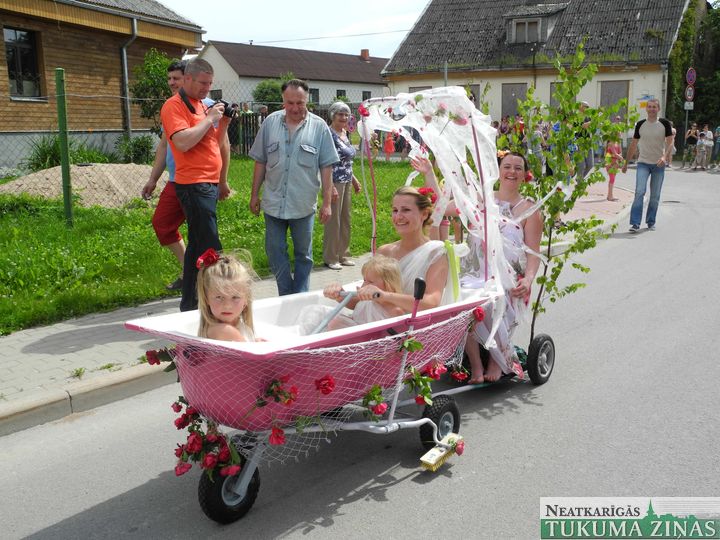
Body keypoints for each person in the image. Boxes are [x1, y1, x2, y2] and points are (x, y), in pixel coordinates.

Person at [248, 79, 338, 295]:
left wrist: (327, 203)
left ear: (307, 101)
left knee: (303, 255)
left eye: (300, 103)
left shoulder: (319, 127)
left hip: (303, 204)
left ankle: (300, 296)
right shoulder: (270, 123)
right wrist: (254, 195)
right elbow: (260, 161)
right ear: (283, 101)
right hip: (273, 202)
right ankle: (286, 294)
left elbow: (327, 167)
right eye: (290, 103)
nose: (295, 108)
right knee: (274, 250)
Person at [461, 152, 542, 383]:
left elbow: (533, 252)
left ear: (525, 175)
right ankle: (476, 364)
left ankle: (496, 361)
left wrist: (528, 279)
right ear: (498, 171)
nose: (512, 172)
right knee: (461, 304)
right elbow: (446, 206)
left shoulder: (530, 209)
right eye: (507, 166)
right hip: (475, 272)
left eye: (518, 168)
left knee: (499, 298)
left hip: (508, 276)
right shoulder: (482, 199)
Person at [160, 58, 231, 311]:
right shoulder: (174, 106)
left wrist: (223, 122)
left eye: (210, 84)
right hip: (193, 183)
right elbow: (182, 142)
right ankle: (221, 297)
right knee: (211, 244)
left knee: (196, 245)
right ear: (187, 79)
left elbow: (212, 143)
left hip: (208, 181)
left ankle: (190, 304)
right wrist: (209, 119)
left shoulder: (201, 105)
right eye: (202, 83)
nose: (206, 88)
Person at [325, 186, 451, 313]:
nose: (398, 216)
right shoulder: (384, 252)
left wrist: (385, 297)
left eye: (406, 210)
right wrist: (340, 295)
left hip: (408, 323)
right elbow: (362, 301)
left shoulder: (435, 253)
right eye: (395, 210)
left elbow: (431, 302)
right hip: (370, 319)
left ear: (424, 214)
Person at [140, 60, 188, 291]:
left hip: (199, 182)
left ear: (188, 78)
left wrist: (221, 180)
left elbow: (221, 146)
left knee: (203, 234)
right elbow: (163, 145)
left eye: (176, 78)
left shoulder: (206, 106)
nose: (171, 83)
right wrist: (153, 179)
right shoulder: (170, 107)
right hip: (175, 180)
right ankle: (190, 271)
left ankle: (209, 282)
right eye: (169, 79)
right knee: (162, 224)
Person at [300, 255, 405, 334]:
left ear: (389, 285)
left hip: (365, 343)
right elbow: (355, 308)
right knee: (316, 312)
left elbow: (397, 337)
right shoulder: (367, 299)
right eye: (364, 280)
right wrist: (339, 294)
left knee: (334, 322)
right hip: (354, 331)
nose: (364, 285)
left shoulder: (394, 310)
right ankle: (305, 340)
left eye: (370, 282)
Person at [621, 98, 673, 233]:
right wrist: (626, 163)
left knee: (655, 195)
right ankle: (635, 223)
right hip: (643, 163)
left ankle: (650, 221)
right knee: (639, 192)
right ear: (646, 109)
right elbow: (633, 145)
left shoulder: (664, 124)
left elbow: (670, 143)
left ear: (658, 109)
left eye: (654, 107)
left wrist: (664, 157)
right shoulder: (640, 124)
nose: (651, 109)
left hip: (658, 164)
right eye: (649, 107)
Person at [323, 102, 361, 270]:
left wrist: (354, 180)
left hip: (346, 180)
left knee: (346, 219)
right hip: (334, 181)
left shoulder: (345, 133)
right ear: (333, 115)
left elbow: (347, 161)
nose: (344, 118)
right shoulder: (328, 134)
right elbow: (327, 161)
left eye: (346, 115)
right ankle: (331, 257)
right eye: (340, 114)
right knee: (334, 220)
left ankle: (343, 254)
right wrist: (330, 187)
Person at [196, 249, 256, 342]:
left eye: (235, 297)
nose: (227, 305)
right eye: (219, 297)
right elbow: (251, 351)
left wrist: (255, 341)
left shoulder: (237, 326)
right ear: (206, 298)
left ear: (246, 300)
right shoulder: (224, 331)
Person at [575, 101, 594, 180]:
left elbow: (592, 128)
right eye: (586, 106)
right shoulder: (576, 117)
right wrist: (593, 121)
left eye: (588, 107)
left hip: (588, 143)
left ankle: (580, 178)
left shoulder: (588, 117)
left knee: (590, 165)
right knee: (581, 166)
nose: (587, 108)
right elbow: (583, 126)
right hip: (580, 143)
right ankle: (579, 183)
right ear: (580, 106)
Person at [604, 136, 624, 201]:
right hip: (610, 163)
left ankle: (609, 195)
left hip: (615, 163)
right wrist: (621, 158)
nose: (620, 134)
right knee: (612, 179)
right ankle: (610, 196)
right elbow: (615, 154)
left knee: (612, 179)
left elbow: (620, 152)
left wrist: (619, 157)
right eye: (619, 133)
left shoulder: (618, 143)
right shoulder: (610, 143)